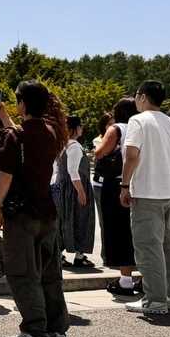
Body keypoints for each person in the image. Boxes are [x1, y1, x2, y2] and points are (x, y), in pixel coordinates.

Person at [0, 81, 70, 337]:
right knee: (49, 273)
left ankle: (34, 331)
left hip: (21, 212)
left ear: (22, 103)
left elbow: (5, 175)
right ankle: (56, 330)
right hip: (47, 211)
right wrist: (5, 117)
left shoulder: (14, 137)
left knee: (23, 272)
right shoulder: (51, 131)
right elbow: (25, 135)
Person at [120, 81, 170, 315]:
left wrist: (125, 185)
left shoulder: (138, 121)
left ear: (143, 97)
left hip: (147, 192)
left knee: (149, 248)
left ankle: (154, 300)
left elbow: (131, 154)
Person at [94, 99, 140, 295]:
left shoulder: (116, 129)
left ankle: (125, 280)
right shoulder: (142, 127)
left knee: (119, 231)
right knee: (139, 232)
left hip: (117, 184)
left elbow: (100, 152)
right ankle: (145, 278)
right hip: (141, 183)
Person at [53, 115, 96, 269]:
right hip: (75, 188)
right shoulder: (75, 146)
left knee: (64, 221)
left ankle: (59, 254)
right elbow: (73, 171)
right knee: (81, 220)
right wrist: (81, 192)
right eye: (80, 126)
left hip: (63, 187)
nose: (82, 129)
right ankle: (79, 255)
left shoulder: (61, 145)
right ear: (75, 128)